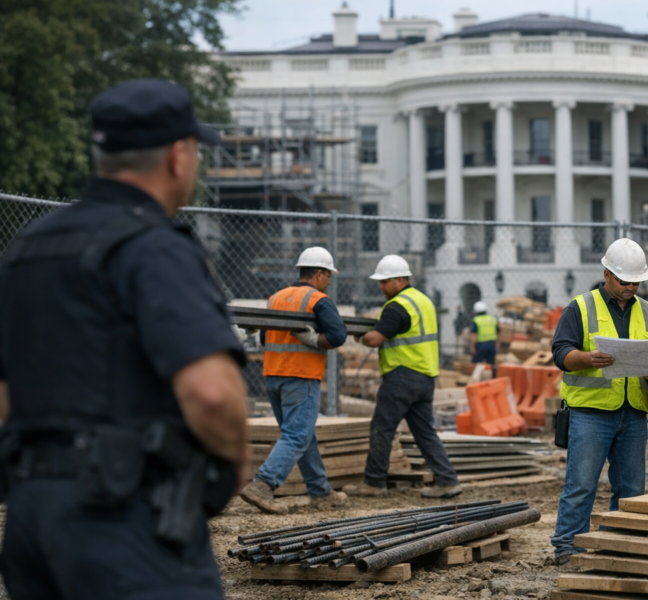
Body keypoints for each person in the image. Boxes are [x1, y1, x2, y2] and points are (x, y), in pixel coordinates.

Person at [0, 78, 250, 599]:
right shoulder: (154, 247)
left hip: (30, 516)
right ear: (178, 157)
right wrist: (233, 461)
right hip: (127, 515)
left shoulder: (27, 248)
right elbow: (210, 391)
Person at [549, 238, 648, 566]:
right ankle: (567, 546)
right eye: (625, 281)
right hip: (590, 412)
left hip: (633, 412)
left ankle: (621, 542)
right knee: (582, 484)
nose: (631, 287)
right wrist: (587, 358)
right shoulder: (581, 306)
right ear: (607, 274)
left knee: (631, 487)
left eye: (637, 282)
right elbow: (560, 353)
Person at [238, 247, 350, 514]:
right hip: (301, 377)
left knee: (303, 435)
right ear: (319, 274)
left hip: (273, 376)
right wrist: (313, 340)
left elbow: (266, 338)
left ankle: (320, 492)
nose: (330, 282)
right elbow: (337, 336)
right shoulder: (318, 300)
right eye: (329, 275)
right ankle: (263, 484)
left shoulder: (276, 298)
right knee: (298, 434)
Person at [344, 255, 462, 499]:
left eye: (384, 281)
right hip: (425, 377)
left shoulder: (397, 306)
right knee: (424, 432)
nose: (380, 286)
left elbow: (375, 339)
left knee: (382, 428)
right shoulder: (423, 301)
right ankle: (447, 480)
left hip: (401, 376)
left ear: (399, 280)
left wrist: (359, 336)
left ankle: (374, 483)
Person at [469, 300, 498, 370]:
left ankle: (476, 379)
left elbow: (473, 334)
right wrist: (497, 344)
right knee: (490, 365)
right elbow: (498, 332)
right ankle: (491, 379)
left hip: (481, 345)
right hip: (492, 344)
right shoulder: (492, 319)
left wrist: (472, 347)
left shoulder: (476, 320)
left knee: (476, 364)